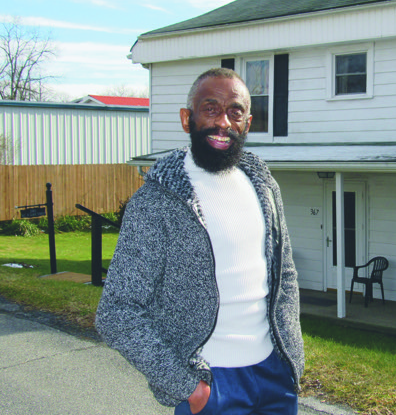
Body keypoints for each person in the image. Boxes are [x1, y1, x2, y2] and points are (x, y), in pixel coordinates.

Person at [95, 68, 304, 415]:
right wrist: (187, 387)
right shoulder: (156, 201)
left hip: (275, 379)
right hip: (211, 387)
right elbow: (116, 312)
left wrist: (292, 356)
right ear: (186, 118)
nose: (223, 122)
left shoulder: (264, 187)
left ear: (248, 123)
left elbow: (287, 277)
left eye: (235, 111)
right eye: (210, 108)